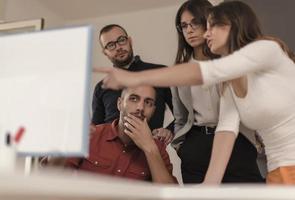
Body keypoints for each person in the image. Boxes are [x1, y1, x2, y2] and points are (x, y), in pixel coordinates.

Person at [96, 1, 295, 184]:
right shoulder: (230, 85)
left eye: (212, 26)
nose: (206, 33)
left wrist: (135, 78)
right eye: (185, 26)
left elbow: (205, 73)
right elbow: (226, 130)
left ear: (233, 25)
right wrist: (208, 185)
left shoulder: (268, 49)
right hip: (277, 170)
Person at [171, 0, 263, 183]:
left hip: (237, 141)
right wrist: (181, 146)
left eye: (195, 23)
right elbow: (180, 117)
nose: (189, 30)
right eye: (184, 26)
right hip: (196, 144)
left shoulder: (230, 61)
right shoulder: (179, 70)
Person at [44, 85, 176, 184]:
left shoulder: (157, 148)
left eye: (148, 103)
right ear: (119, 104)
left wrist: (150, 148)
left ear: (153, 110)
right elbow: (50, 178)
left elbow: (171, 195)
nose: (140, 108)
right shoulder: (92, 136)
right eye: (133, 99)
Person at [92, 24, 174, 144]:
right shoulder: (101, 87)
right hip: (112, 157)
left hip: (151, 152)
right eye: (110, 45)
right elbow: (96, 129)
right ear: (105, 52)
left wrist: (169, 130)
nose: (118, 47)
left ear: (129, 41)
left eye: (121, 40)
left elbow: (183, 116)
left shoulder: (160, 73)